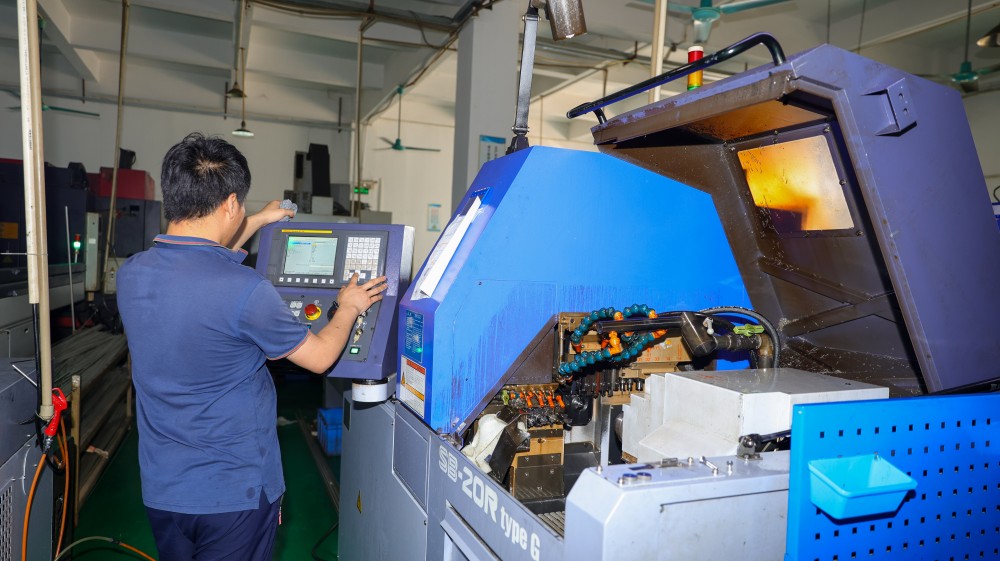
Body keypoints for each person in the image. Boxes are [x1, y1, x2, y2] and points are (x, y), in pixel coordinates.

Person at [117, 133, 386, 561]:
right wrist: (350, 307)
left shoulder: (131, 274)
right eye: (239, 205)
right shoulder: (245, 290)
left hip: (164, 489)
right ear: (229, 204)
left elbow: (201, 254)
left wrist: (259, 220)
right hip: (233, 495)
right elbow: (320, 357)